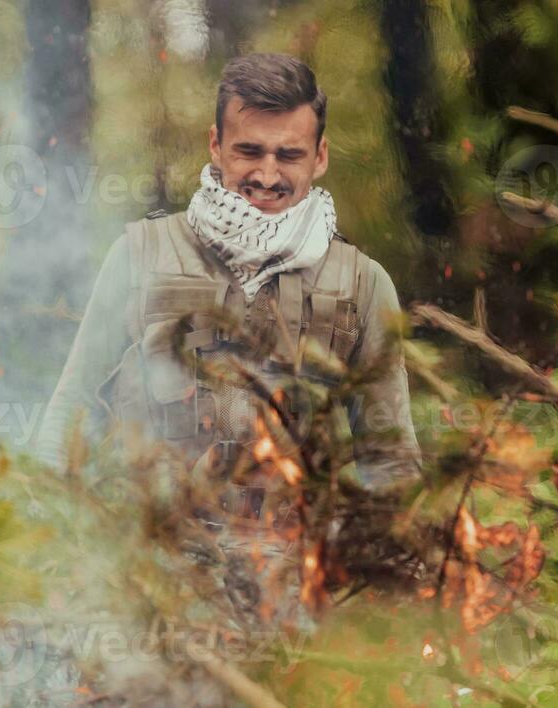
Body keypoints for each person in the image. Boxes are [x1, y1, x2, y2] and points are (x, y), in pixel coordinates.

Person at [36, 52, 422, 511]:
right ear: (216, 146)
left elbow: (390, 458)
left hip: (296, 568)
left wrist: (403, 561)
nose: (267, 175)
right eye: (249, 151)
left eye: (289, 155)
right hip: (150, 564)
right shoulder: (140, 257)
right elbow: (72, 409)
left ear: (319, 156)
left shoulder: (362, 282)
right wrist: (46, 530)